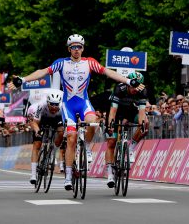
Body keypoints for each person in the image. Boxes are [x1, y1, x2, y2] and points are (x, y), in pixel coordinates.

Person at [8, 34, 144, 191]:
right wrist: (23, 80)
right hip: (68, 106)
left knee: (93, 123)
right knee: (71, 138)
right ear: (69, 49)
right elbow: (43, 71)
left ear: (83, 48)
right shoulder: (61, 63)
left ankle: (86, 145)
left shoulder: (89, 62)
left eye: (79, 47)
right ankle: (67, 175)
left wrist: (128, 81)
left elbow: (108, 72)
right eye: (73, 47)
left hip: (83, 103)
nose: (76, 49)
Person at [104, 72, 148, 188]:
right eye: (133, 86)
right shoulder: (120, 88)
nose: (135, 89)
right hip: (116, 112)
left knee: (146, 124)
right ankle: (109, 173)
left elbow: (142, 113)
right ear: (128, 83)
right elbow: (113, 111)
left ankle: (131, 148)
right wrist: (111, 126)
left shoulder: (142, 91)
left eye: (137, 87)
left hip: (130, 111)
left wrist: (142, 125)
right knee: (111, 142)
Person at [27, 90, 65, 185]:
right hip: (43, 118)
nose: (53, 108)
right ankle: (33, 175)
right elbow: (35, 122)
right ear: (47, 103)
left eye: (56, 106)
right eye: (51, 105)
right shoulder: (41, 105)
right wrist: (37, 130)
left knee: (61, 132)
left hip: (57, 119)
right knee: (37, 144)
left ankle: (53, 151)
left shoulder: (63, 106)